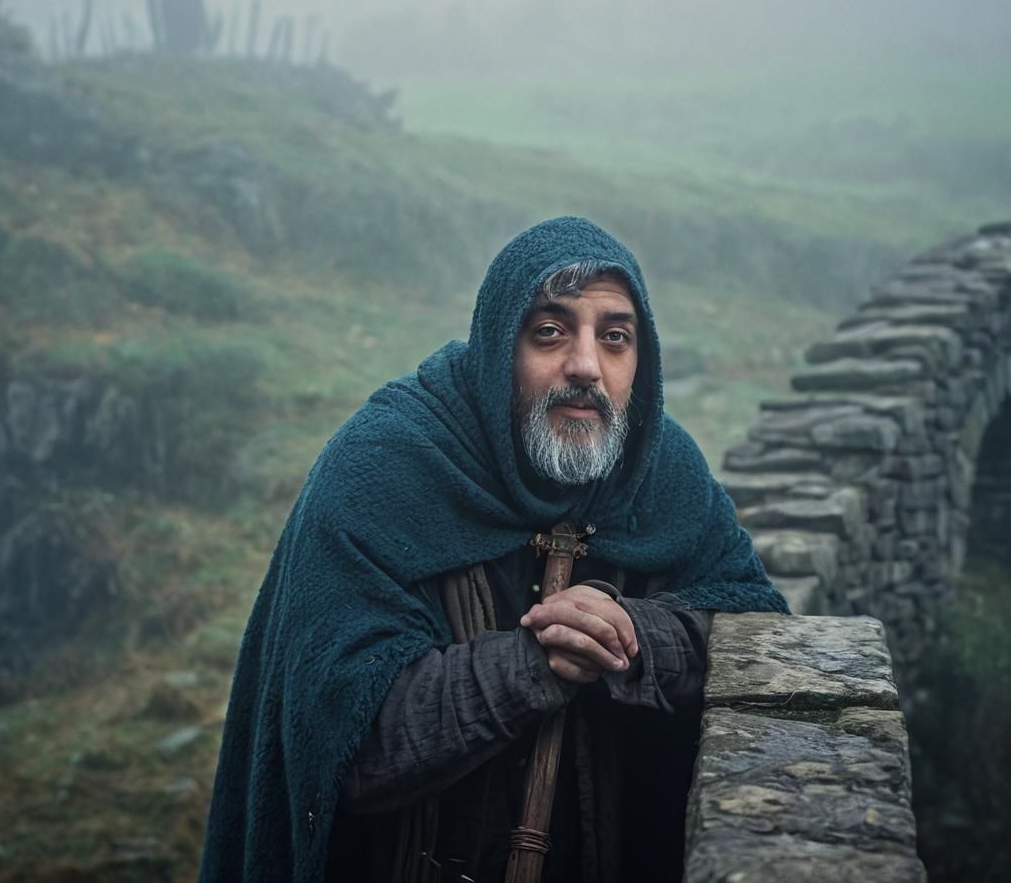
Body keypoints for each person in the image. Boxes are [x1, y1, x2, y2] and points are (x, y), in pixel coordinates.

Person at [198, 217, 787, 882]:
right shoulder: (384, 467)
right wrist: (535, 663)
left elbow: (756, 626)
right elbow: (341, 740)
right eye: (550, 332)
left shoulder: (657, 468)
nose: (586, 366)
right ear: (497, 348)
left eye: (615, 338)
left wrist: (636, 635)